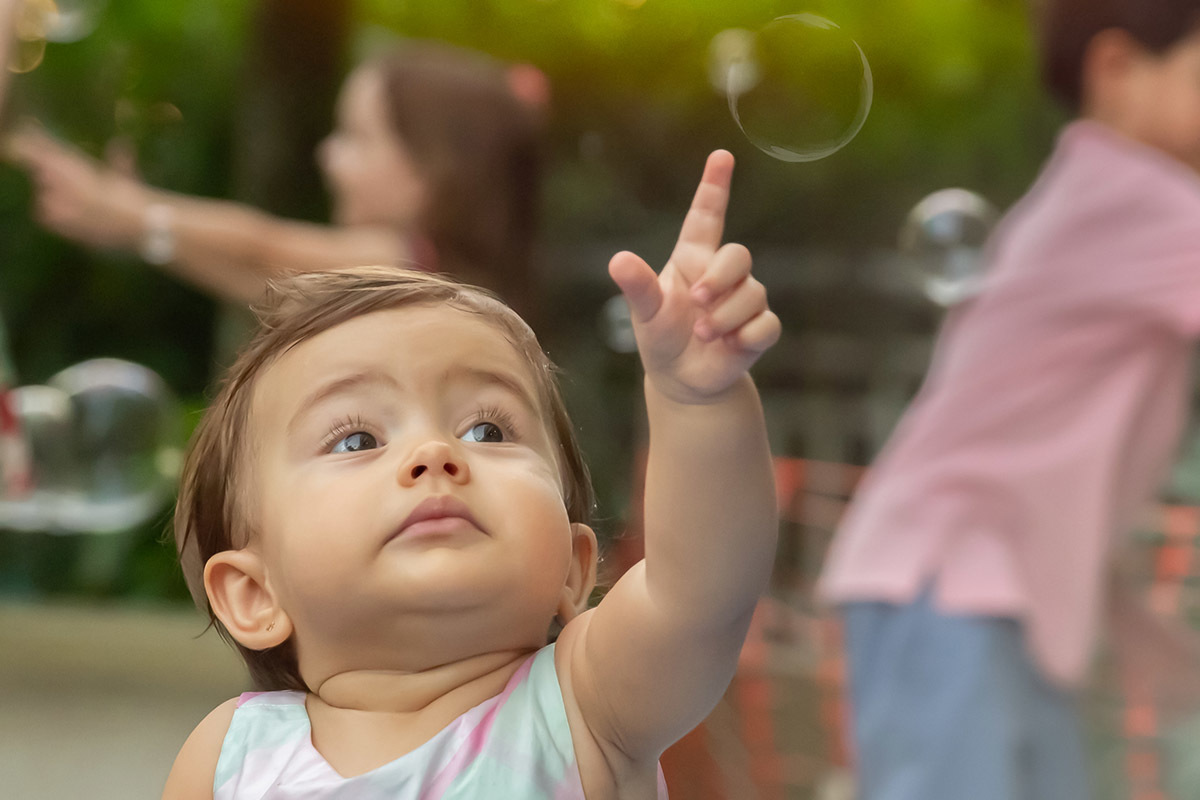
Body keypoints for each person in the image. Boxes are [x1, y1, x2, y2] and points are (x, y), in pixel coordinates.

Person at [161, 150, 781, 799]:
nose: (433, 453)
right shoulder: (233, 756)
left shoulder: (587, 709)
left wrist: (696, 400)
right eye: (357, 438)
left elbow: (702, 592)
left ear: (572, 568)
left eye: (487, 430)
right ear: (254, 594)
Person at [817, 1, 1200, 798]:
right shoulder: (1136, 198)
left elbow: (1036, 455)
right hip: (949, 588)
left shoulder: (1099, 196)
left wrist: (1126, 613)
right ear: (1117, 71)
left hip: (985, 597)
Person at [8, 40, 544, 314]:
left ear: (431, 169)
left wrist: (130, 213)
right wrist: (138, 225)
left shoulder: (406, 270)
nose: (328, 156)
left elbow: (263, 247)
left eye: (354, 137)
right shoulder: (439, 282)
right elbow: (262, 283)